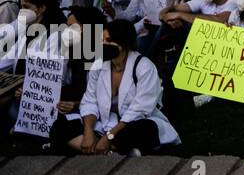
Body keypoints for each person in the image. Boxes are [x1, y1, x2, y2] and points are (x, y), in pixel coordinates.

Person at [48, 19, 179, 156]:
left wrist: (108, 137)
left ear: (124, 43)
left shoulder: (144, 67)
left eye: (109, 40)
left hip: (130, 125)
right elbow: (90, 100)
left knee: (144, 129)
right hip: (106, 122)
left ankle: (102, 149)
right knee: (60, 126)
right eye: (102, 40)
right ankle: (111, 151)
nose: (103, 44)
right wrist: (88, 132)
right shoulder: (98, 65)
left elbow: (139, 110)